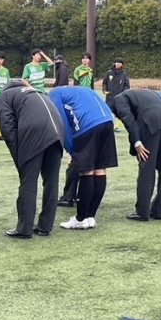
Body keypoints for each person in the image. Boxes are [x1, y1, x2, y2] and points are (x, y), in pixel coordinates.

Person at [0, 79, 65, 237]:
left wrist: (19, 158)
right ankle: (45, 226)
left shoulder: (2, 98)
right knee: (51, 181)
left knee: (28, 181)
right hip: (58, 130)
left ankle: (24, 228)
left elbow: (7, 128)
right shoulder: (37, 92)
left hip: (34, 131)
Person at [48, 85, 117, 228]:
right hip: (107, 122)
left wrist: (72, 151)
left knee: (87, 171)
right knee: (100, 170)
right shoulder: (81, 89)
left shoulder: (53, 94)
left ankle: (80, 219)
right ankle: (90, 217)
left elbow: (62, 124)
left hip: (87, 126)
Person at [112, 88, 161, 221]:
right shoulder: (149, 93)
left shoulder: (118, 100)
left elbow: (129, 120)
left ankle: (142, 211)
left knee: (147, 167)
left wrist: (137, 142)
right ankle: (159, 211)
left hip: (150, 122)